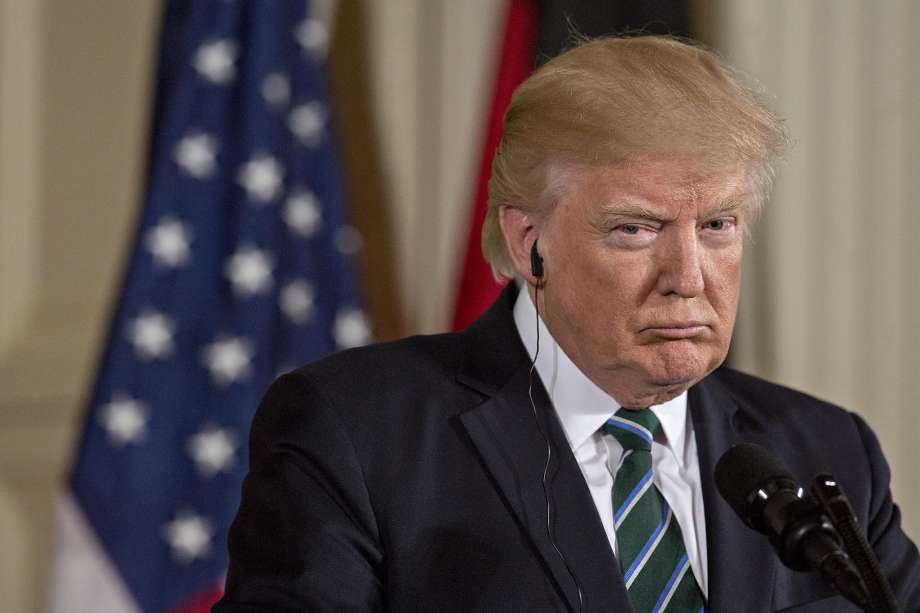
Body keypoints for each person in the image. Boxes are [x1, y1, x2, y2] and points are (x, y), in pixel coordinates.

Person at [214, 36, 920, 612]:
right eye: (636, 229)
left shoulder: (830, 451)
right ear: (529, 242)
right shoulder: (357, 434)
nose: (689, 275)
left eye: (716, 225)